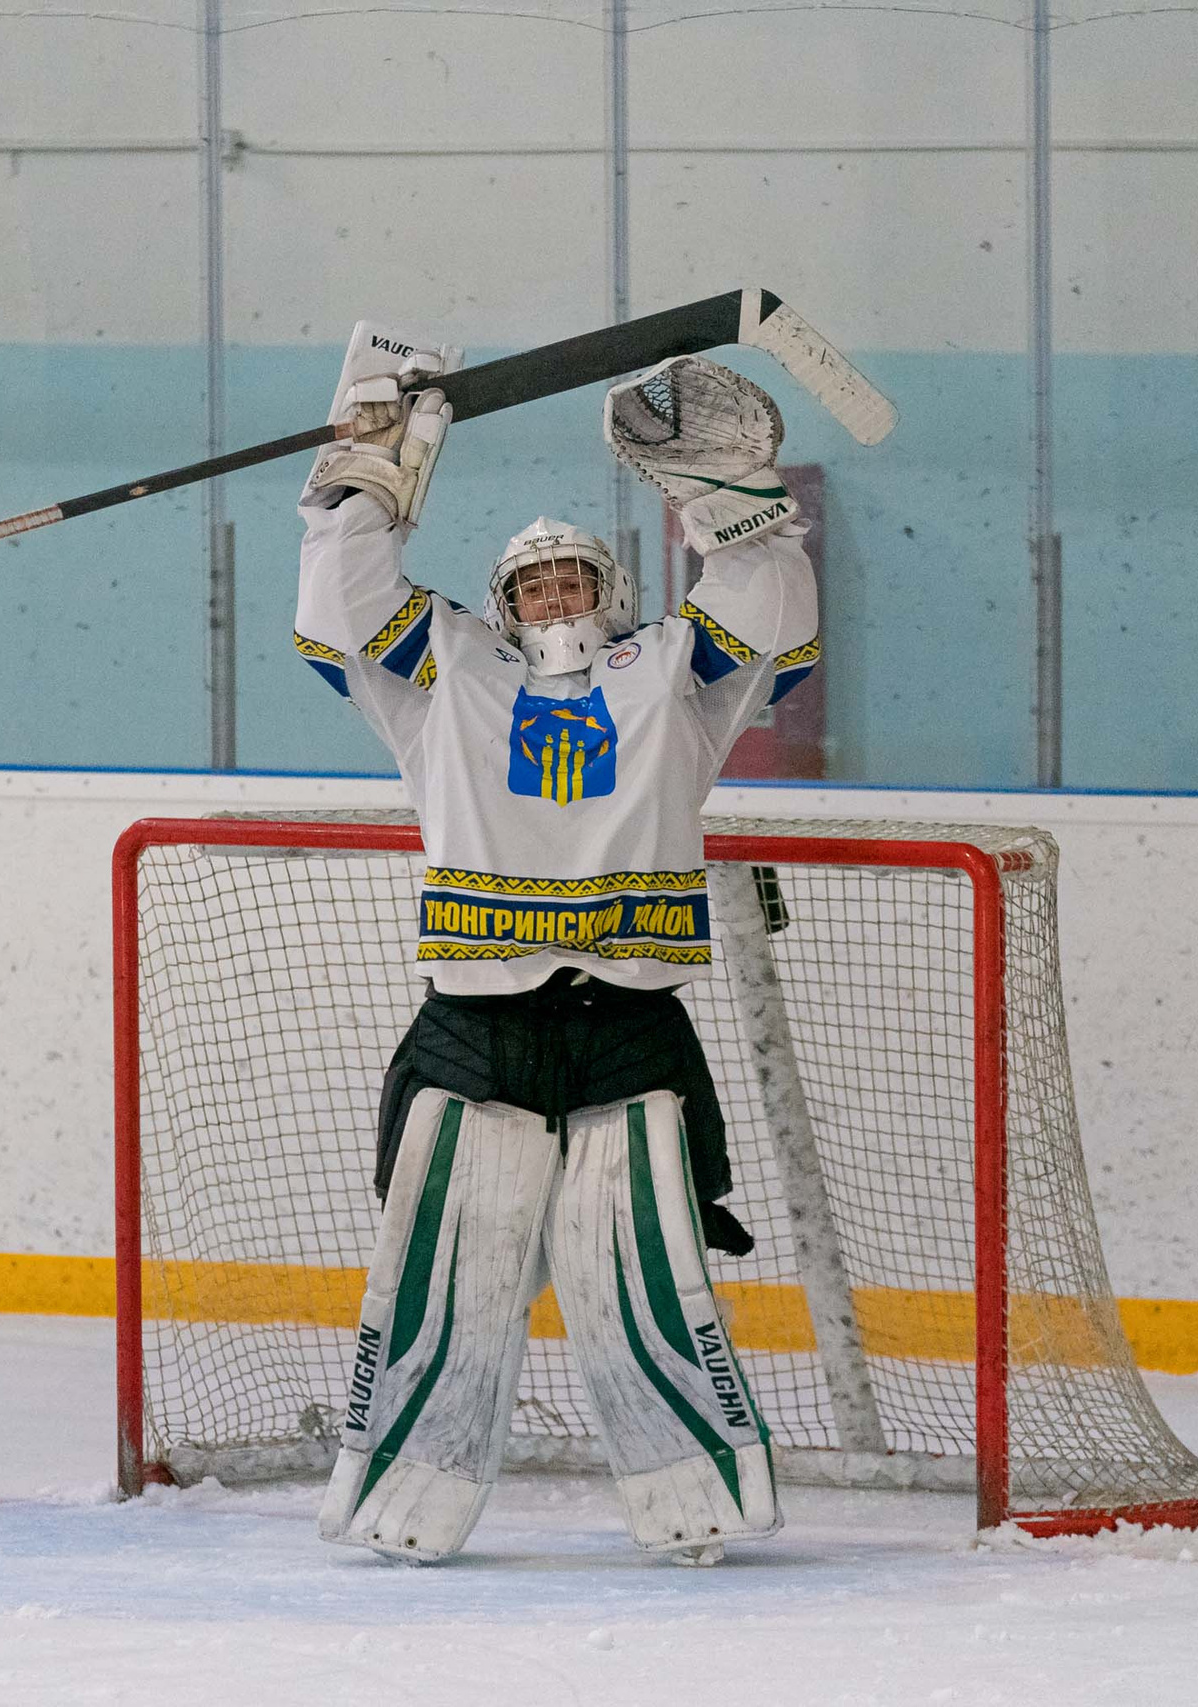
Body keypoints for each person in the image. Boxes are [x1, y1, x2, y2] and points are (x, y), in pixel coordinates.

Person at [290, 321, 820, 1565]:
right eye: (533, 587)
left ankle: (694, 1486)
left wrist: (731, 501)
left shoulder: (674, 677)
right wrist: (363, 481)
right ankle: (398, 1484)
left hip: (627, 1020)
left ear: (613, 594)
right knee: (448, 1269)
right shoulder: (448, 676)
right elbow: (344, 612)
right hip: (478, 1021)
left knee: (636, 1272)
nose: (556, 600)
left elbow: (771, 610)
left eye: (576, 581)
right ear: (503, 605)